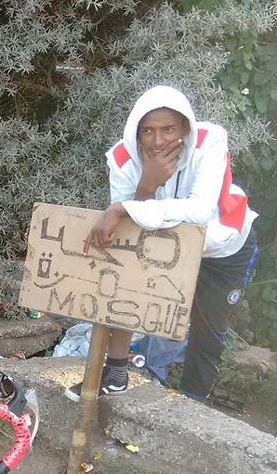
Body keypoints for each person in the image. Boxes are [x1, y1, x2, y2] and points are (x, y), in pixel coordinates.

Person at [66, 85, 258, 402]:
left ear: (185, 127)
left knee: (206, 326)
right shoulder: (123, 158)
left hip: (222, 248)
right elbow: (129, 232)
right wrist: (147, 184)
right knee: (126, 280)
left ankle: (192, 400)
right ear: (136, 133)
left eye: (168, 129)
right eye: (148, 131)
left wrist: (125, 208)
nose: (158, 141)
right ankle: (115, 374)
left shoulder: (210, 142)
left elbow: (198, 211)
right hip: (166, 246)